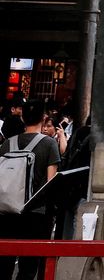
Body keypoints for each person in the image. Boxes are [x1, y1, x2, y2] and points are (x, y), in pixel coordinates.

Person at [0, 98, 61, 280]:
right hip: (36, 215)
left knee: (4, 267)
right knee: (28, 269)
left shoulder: (7, 144)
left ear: (22, 118)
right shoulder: (49, 144)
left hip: (6, 213)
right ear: (43, 117)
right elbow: (51, 183)